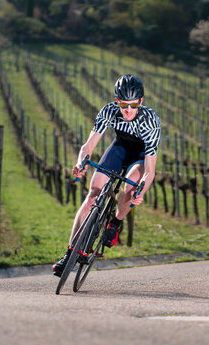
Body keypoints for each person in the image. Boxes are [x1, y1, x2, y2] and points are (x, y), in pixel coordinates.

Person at [53, 74, 161, 276]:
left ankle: (116, 221)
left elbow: (150, 170)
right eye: (123, 104)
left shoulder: (150, 121)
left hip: (140, 156)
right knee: (92, 196)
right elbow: (88, 146)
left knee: (130, 188)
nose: (128, 110)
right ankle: (69, 254)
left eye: (134, 105)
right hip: (119, 149)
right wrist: (80, 163)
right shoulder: (109, 112)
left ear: (141, 102)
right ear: (116, 101)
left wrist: (141, 191)